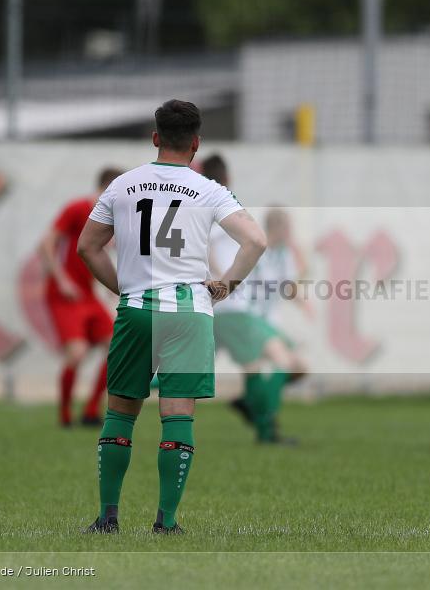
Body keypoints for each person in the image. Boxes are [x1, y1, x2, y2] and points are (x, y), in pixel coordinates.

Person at [77, 100, 267, 534]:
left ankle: (108, 517)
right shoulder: (209, 188)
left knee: (121, 413)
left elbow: (87, 247)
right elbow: (255, 241)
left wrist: (123, 289)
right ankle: (166, 521)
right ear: (196, 144)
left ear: (155, 137)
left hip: (137, 309)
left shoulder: (123, 185)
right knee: (177, 414)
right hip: (189, 312)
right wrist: (227, 285)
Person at [202, 154, 308, 444]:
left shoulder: (206, 211)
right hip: (236, 311)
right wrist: (221, 277)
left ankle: (257, 414)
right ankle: (263, 423)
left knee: (258, 367)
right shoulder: (222, 212)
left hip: (231, 311)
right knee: (287, 363)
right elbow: (212, 250)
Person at [39, 167, 122, 427]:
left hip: (87, 295)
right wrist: (61, 279)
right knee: (77, 353)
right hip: (65, 295)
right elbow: (46, 244)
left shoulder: (112, 217)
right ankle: (64, 413)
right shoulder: (77, 208)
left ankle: (91, 409)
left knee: (115, 347)